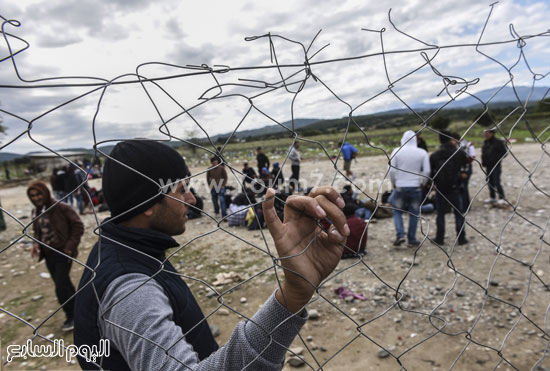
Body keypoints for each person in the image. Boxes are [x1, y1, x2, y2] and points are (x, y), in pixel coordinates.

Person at [74, 140, 349, 370]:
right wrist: (290, 298)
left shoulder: (123, 251)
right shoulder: (130, 287)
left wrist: (294, 293)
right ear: (148, 203)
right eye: (182, 189)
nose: (192, 200)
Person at [27, 181, 84, 331]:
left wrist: (70, 246)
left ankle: (71, 316)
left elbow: (78, 226)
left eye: (39, 194)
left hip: (63, 252)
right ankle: (80, 311)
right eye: (33, 196)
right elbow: (38, 231)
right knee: (64, 284)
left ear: (46, 192)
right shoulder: (36, 211)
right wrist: (36, 244)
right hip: (48, 254)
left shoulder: (60, 207)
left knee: (60, 286)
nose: (37, 198)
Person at [389, 131, 431, 247]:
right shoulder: (422, 152)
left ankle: (400, 235)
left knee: (397, 210)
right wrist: (422, 183)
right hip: (416, 186)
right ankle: (412, 239)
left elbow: (391, 170)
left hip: (400, 186)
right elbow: (427, 171)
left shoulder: (396, 151)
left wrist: (394, 183)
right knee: (414, 213)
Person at [430, 130, 469, 246]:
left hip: (440, 189)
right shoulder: (459, 153)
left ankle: (440, 238)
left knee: (440, 214)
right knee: (458, 214)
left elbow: (431, 173)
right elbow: (466, 167)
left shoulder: (435, 155)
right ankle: (461, 238)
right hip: (455, 187)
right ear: (450, 139)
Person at [481, 128, 507, 204]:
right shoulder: (485, 142)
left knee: (496, 181)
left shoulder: (498, 142)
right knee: (489, 181)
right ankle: (492, 197)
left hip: (496, 165)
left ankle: (502, 197)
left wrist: (496, 159)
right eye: (484, 133)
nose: (485, 134)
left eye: (487, 133)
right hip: (488, 165)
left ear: (491, 133)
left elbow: (504, 153)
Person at [459, 137, 476, 212]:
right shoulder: (469, 144)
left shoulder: (467, 144)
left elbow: (472, 157)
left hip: (465, 168)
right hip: (465, 167)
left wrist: (466, 164)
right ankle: (464, 205)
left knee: (463, 187)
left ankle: (465, 206)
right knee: (463, 187)